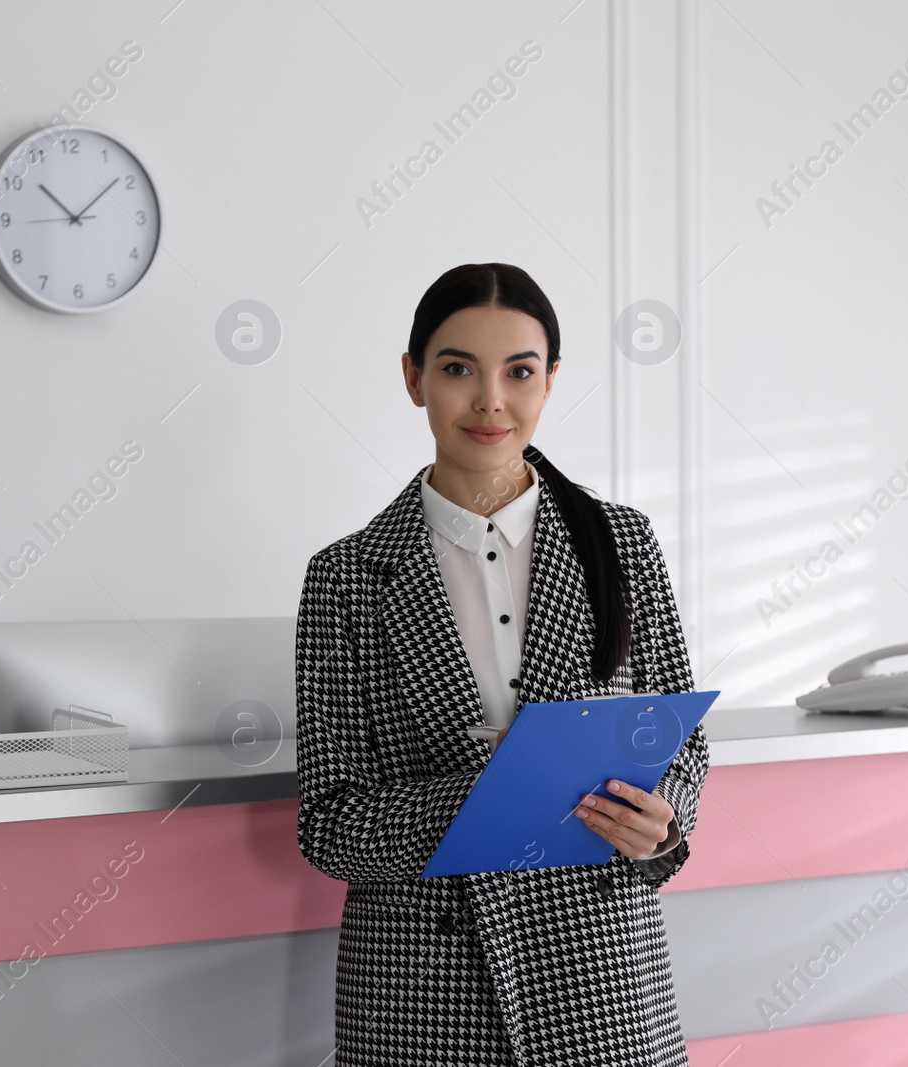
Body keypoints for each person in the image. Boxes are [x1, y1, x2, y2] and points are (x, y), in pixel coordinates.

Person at [294, 262, 709, 1066]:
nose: (491, 400)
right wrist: (490, 800)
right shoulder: (346, 577)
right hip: (419, 995)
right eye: (458, 369)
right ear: (414, 379)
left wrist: (664, 823)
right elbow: (329, 825)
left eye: (520, 371)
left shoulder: (621, 545)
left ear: (550, 381)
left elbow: (679, 743)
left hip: (599, 979)